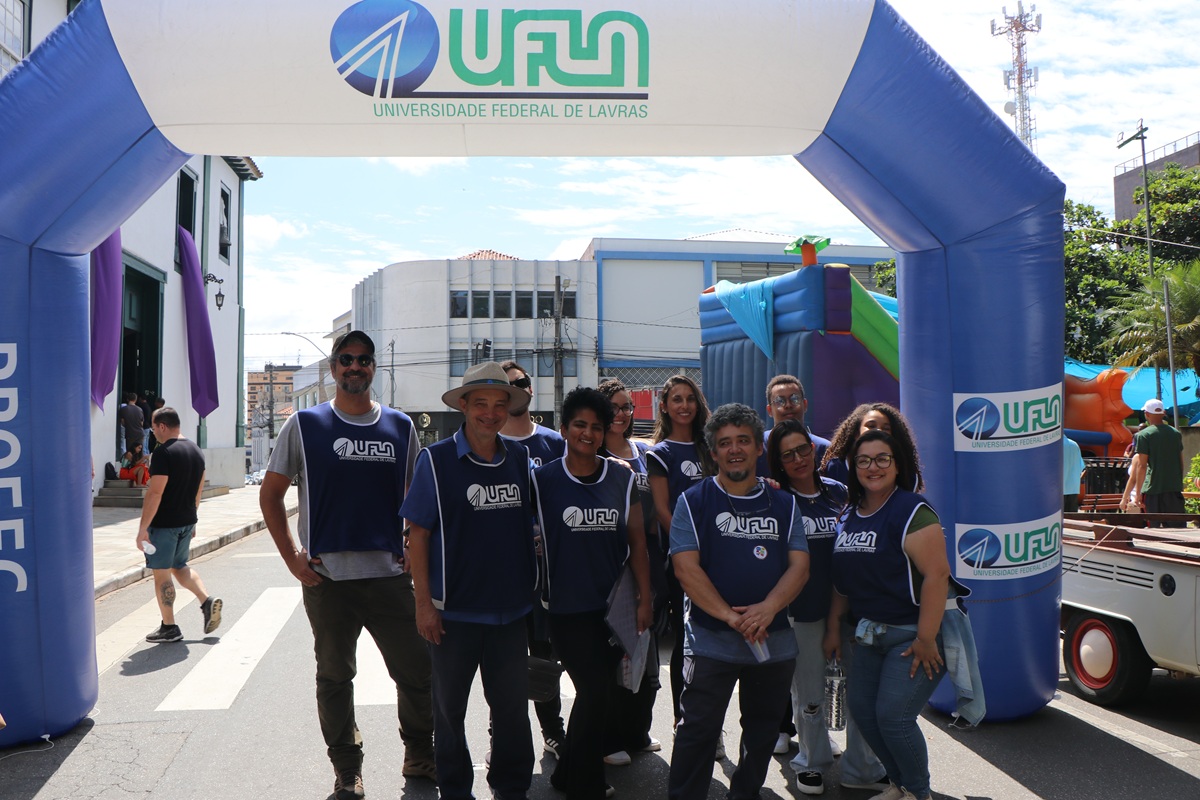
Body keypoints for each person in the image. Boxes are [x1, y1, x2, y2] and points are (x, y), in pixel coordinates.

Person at [260, 330, 434, 800]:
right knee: (335, 678)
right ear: (334, 368)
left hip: (391, 578)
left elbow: (418, 499)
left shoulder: (400, 426)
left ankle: (420, 753)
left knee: (417, 672)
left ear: (374, 367)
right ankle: (346, 768)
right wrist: (292, 557)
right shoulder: (305, 425)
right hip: (328, 581)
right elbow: (271, 494)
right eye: (346, 359)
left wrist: (413, 551)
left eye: (364, 359)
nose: (355, 366)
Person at [402, 361, 540, 800]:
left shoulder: (519, 458)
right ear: (463, 406)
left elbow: (528, 525)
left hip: (510, 611)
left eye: (499, 404)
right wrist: (424, 605)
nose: (490, 413)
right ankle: (456, 789)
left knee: (512, 711)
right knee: (449, 713)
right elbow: (418, 535)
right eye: (481, 403)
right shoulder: (436, 460)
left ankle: (512, 786)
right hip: (453, 614)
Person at [667, 403, 810, 800]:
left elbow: (800, 566)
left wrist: (767, 609)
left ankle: (744, 794)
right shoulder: (693, 501)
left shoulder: (784, 503)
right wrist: (732, 617)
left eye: (743, 441)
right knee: (697, 729)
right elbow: (685, 569)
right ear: (713, 451)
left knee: (763, 732)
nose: (734, 450)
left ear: (758, 448)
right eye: (725, 442)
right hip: (711, 639)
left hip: (773, 639)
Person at [534, 387, 653, 800]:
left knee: (600, 695)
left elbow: (637, 541)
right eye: (580, 425)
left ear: (605, 432)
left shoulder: (621, 477)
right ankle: (585, 784)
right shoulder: (543, 480)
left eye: (596, 427)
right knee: (595, 691)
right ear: (564, 428)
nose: (588, 433)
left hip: (613, 608)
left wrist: (645, 599)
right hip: (566, 609)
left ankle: (566, 774)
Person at [766, 420, 887, 796]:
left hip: (852, 610)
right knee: (810, 694)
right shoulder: (777, 499)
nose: (798, 459)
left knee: (861, 692)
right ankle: (812, 761)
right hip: (802, 611)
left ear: (813, 449)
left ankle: (862, 767)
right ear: (778, 462)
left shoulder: (840, 492)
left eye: (803, 449)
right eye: (788, 454)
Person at [828, 429, 950, 800]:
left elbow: (937, 575)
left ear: (898, 465)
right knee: (864, 713)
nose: (873, 467)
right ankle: (901, 785)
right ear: (854, 468)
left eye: (883, 458)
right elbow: (842, 583)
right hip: (868, 634)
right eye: (863, 460)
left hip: (911, 634)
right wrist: (833, 627)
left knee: (894, 718)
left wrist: (926, 638)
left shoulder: (912, 510)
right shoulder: (850, 513)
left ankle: (918, 792)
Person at [500, 359, 568, 757]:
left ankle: (553, 730)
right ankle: (502, 734)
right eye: (508, 384)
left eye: (522, 381)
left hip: (548, 575)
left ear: (529, 388)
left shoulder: (553, 443)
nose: (517, 388)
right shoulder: (489, 445)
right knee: (504, 657)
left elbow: (568, 497)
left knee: (544, 655)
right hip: (505, 573)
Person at [596, 379, 662, 767]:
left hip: (648, 560)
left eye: (626, 407)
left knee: (645, 651)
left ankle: (638, 730)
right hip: (610, 564)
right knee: (613, 654)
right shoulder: (592, 454)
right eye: (613, 408)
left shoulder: (646, 452)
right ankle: (608, 737)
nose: (620, 414)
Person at [646, 374, 713, 735]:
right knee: (688, 641)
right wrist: (691, 549)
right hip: (683, 561)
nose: (684, 405)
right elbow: (662, 510)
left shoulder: (711, 447)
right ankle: (682, 719)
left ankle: (712, 725)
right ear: (664, 406)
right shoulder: (660, 453)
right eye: (677, 399)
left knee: (718, 641)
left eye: (690, 398)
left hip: (720, 557)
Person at [136, 407, 222, 644]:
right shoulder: (196, 450)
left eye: (154, 428)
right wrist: (193, 518)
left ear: (162, 426)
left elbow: (155, 493)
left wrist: (143, 529)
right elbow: (198, 490)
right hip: (186, 521)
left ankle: (169, 626)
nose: (153, 433)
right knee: (179, 566)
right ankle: (206, 601)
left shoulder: (163, 453)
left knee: (162, 574)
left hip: (164, 524)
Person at [822, 403, 922, 490]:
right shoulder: (836, 468)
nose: (878, 431)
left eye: (886, 428)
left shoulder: (908, 474)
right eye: (871, 426)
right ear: (856, 432)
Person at [1121, 398, 1185, 523]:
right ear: (1163, 413)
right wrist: (1178, 483)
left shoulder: (1143, 435)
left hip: (1152, 490)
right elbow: (1180, 462)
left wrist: (1138, 493)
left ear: (1147, 414)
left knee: (1154, 529)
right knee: (1177, 529)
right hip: (1173, 489)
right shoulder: (1176, 434)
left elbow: (1142, 466)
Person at [755, 375, 831, 479]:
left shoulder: (824, 449)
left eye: (794, 399)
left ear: (805, 405)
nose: (788, 405)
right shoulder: (758, 447)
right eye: (780, 401)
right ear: (770, 410)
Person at [1063, 435, 1085, 513]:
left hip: (1058, 488)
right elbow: (1081, 466)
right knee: (1072, 517)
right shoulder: (1074, 444)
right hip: (1073, 487)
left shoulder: (1055, 445)